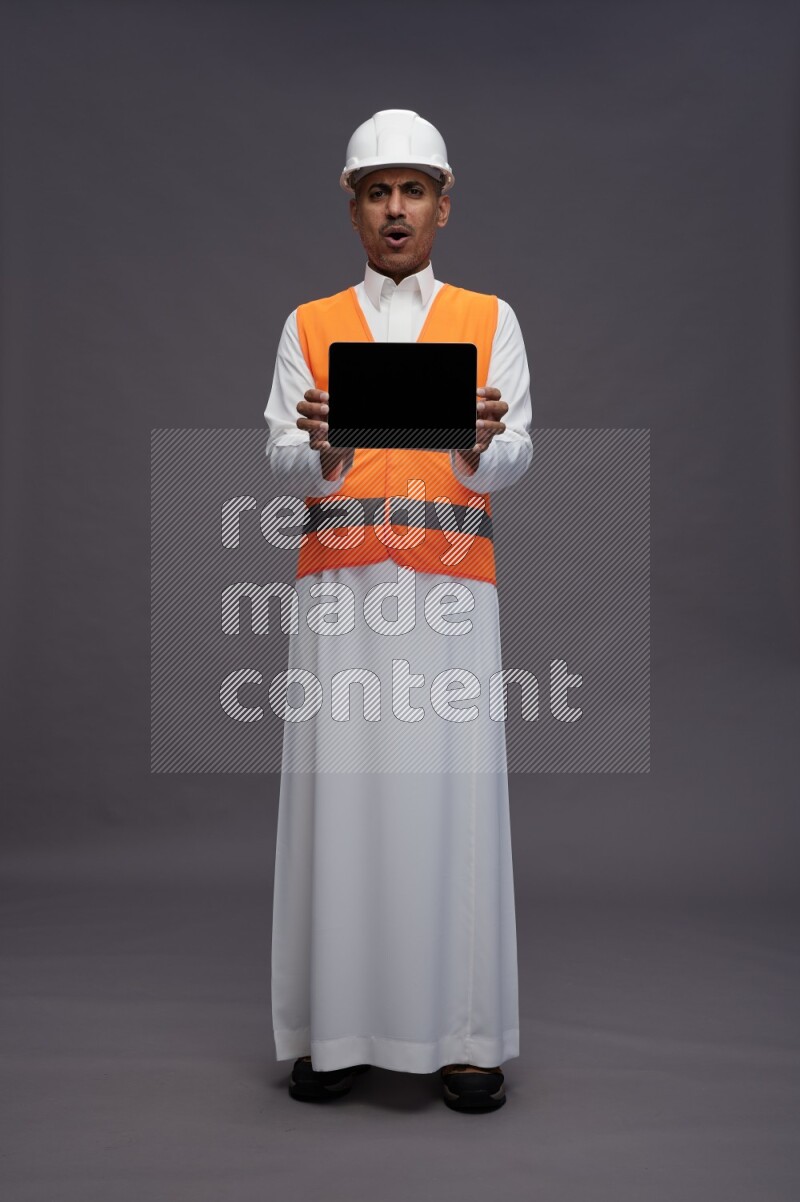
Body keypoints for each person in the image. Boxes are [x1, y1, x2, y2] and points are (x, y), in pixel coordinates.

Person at [263, 109, 533, 1113]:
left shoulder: (488, 318)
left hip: (451, 595)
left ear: (441, 206)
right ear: (352, 208)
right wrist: (322, 448)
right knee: (342, 801)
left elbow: (513, 454)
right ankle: (336, 1031)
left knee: (450, 803)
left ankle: (462, 1036)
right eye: (376, 191)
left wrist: (476, 438)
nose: (394, 208)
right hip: (339, 595)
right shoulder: (307, 324)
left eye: (412, 190)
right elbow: (281, 453)